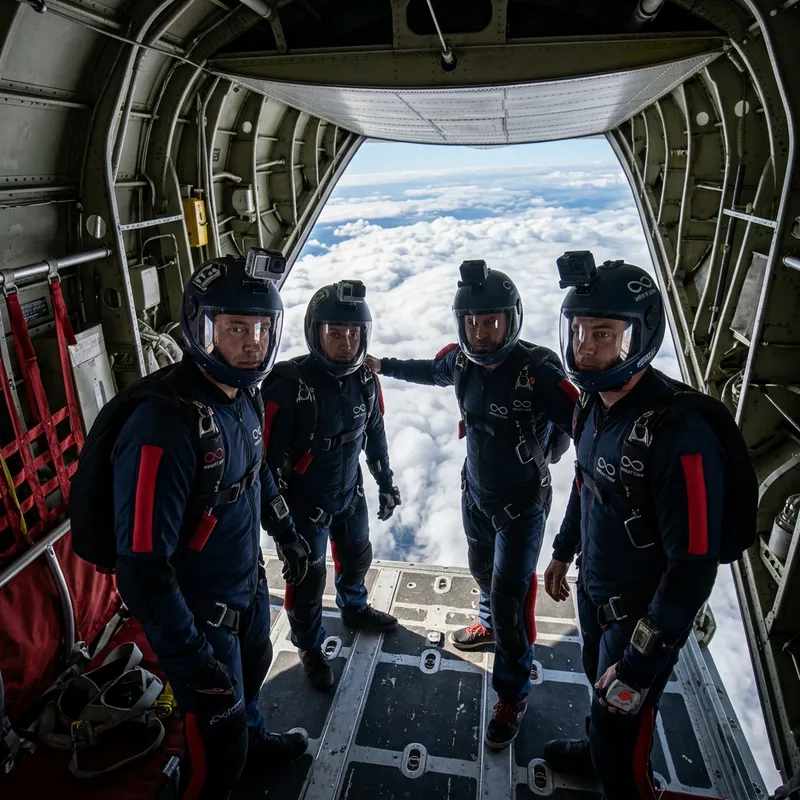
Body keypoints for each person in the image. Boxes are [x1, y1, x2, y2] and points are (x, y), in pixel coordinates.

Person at [111, 253, 312, 799]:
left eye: (262, 328)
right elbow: (141, 569)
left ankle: (254, 746)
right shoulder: (165, 427)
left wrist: (286, 531)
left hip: (245, 594)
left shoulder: (240, 396)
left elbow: (255, 476)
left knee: (252, 682)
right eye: (236, 329)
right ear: (201, 330)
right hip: (202, 621)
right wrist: (192, 660)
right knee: (216, 755)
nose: (253, 342)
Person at [542, 253, 733, 798]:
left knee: (623, 744)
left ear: (640, 335)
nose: (584, 347)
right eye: (578, 331)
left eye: (604, 334)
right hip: (596, 594)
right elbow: (587, 486)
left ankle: (619, 772)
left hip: (641, 621)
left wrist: (640, 661)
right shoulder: (593, 407)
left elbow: (693, 567)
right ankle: (597, 744)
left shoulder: (680, 435)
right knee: (595, 690)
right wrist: (561, 550)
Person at [367, 260, 576, 749]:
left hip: (522, 508)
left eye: (492, 322)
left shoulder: (539, 370)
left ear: (512, 319)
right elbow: (428, 370)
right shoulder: (460, 362)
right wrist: (384, 366)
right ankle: (488, 627)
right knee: (482, 573)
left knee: (510, 600)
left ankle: (512, 693)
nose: (482, 334)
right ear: (461, 325)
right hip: (476, 495)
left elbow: (589, 425)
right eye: (473, 324)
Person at [261, 279, 401, 692]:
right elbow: (262, 469)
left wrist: (386, 483)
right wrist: (282, 532)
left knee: (357, 558)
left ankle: (354, 608)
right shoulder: (288, 385)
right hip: (303, 506)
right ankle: (308, 645)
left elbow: (374, 435)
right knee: (305, 582)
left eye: (354, 334)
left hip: (350, 494)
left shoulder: (365, 380)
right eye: (335, 333)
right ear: (314, 333)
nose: (346, 343)